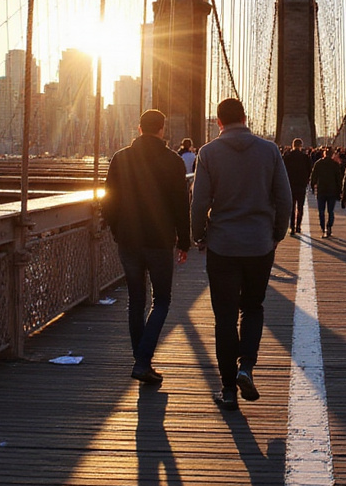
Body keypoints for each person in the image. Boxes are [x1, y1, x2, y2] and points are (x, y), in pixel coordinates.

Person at [191, 97, 292, 411]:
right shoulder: (270, 151)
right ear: (245, 117)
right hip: (259, 244)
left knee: (224, 317)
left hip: (222, 245)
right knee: (253, 307)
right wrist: (276, 234)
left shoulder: (207, 153)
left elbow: (198, 203)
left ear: (219, 122)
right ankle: (246, 366)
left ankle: (228, 389)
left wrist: (198, 236)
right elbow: (285, 199)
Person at [101, 109, 191, 385]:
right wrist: (184, 241)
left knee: (136, 301)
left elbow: (109, 199)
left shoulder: (120, 158)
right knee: (161, 300)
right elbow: (180, 206)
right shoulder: (173, 161)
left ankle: (142, 361)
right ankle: (142, 362)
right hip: (159, 241)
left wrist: (117, 231)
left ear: (139, 128)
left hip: (129, 240)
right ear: (162, 130)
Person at [309, 146, 343, 237]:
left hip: (321, 190)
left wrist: (313, 186)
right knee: (331, 211)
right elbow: (338, 179)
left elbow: (313, 176)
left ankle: (323, 227)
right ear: (332, 155)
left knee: (321, 211)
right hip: (332, 190)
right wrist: (340, 190)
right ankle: (329, 226)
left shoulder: (318, 163)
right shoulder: (335, 165)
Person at [282, 137, 312, 235]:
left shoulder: (287, 156)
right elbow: (309, 170)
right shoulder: (305, 157)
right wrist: (307, 180)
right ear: (301, 146)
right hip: (301, 185)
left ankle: (292, 227)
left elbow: (283, 170)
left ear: (293, 145)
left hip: (290, 184)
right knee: (300, 206)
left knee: (292, 206)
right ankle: (298, 226)